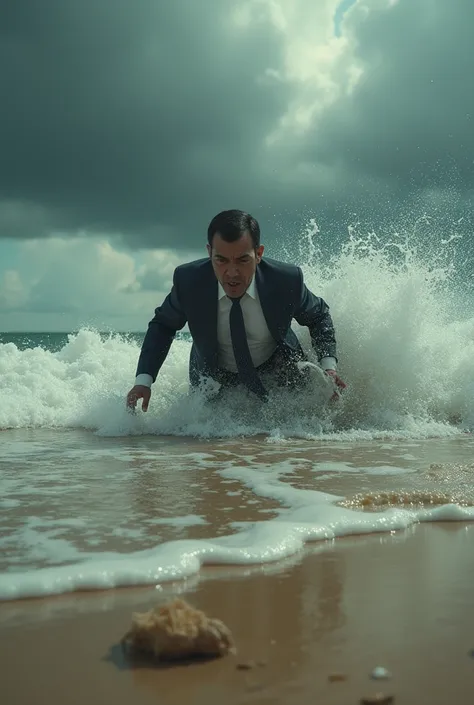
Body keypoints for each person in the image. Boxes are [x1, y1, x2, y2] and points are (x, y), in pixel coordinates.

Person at [126, 209, 346, 411]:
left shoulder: (286, 281)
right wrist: (143, 382)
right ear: (209, 252)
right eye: (221, 260)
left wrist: (329, 368)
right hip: (213, 375)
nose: (232, 273)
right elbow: (163, 326)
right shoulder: (189, 282)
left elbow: (319, 316)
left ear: (258, 254)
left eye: (242, 260)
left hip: (279, 365)